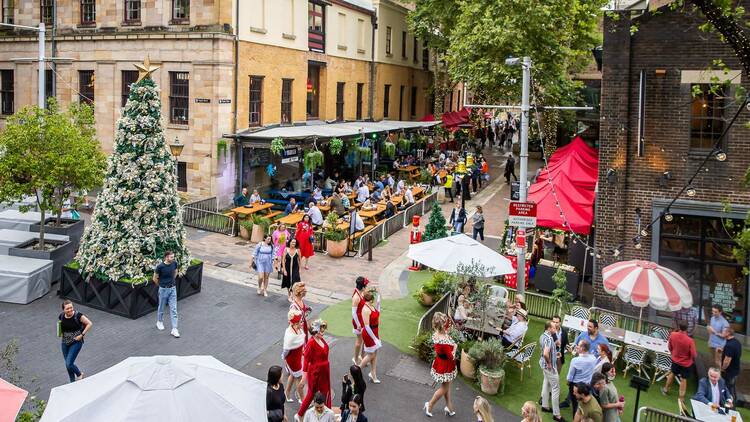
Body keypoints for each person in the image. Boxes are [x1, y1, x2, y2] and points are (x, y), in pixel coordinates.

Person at [296, 320, 332, 422]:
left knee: (324, 392)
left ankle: (324, 415)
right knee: (311, 394)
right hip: (315, 373)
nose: (323, 333)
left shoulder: (321, 339)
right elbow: (306, 361)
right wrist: (303, 378)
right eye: (320, 331)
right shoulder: (311, 343)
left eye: (323, 331)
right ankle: (300, 415)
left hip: (324, 371)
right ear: (315, 332)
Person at [424, 312, 457, 417]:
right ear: (442, 324)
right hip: (446, 365)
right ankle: (429, 404)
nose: (447, 323)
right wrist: (455, 347)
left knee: (447, 386)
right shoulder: (443, 340)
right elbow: (451, 356)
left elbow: (446, 327)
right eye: (445, 322)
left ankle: (449, 407)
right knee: (444, 388)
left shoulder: (437, 333)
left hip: (440, 363)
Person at [661, 321, 696, 402]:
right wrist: (689, 358)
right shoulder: (690, 340)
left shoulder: (673, 335)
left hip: (675, 360)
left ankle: (665, 389)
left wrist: (673, 353)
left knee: (672, 373)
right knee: (684, 379)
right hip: (686, 363)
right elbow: (694, 354)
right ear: (687, 328)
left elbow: (669, 346)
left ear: (679, 327)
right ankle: (681, 398)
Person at [58, 300, 92, 382]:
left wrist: (82, 335)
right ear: (63, 310)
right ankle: (72, 381)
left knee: (69, 363)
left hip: (76, 342)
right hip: (65, 342)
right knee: (68, 364)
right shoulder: (61, 316)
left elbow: (89, 323)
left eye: (71, 308)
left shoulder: (78, 316)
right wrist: (60, 333)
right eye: (67, 309)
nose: (70, 310)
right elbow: (60, 325)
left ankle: (79, 374)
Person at [539, 321, 564, 422]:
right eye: (554, 327)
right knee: (555, 388)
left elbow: (556, 344)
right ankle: (556, 415)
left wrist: (554, 355)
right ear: (549, 328)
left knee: (546, 383)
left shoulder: (542, 336)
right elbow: (545, 353)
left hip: (543, 365)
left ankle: (545, 406)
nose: (556, 328)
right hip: (549, 367)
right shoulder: (549, 338)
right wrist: (549, 363)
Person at [566, 340, 597, 415]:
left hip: (576, 386)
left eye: (578, 345)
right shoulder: (593, 358)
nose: (576, 346)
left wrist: (568, 383)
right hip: (587, 385)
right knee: (584, 404)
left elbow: (570, 377)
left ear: (582, 348)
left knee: (575, 405)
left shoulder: (575, 360)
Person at [153, 250, 180, 338]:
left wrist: (172, 281)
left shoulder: (174, 263)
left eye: (173, 257)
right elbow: (154, 278)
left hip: (173, 289)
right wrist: (161, 285)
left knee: (174, 309)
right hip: (163, 289)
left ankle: (174, 329)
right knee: (161, 306)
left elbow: (176, 272)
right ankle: (159, 322)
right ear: (166, 257)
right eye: (171, 257)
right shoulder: (160, 267)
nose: (173, 258)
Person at [283, 310, 306, 405]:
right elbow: (286, 350)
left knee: (293, 375)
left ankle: (287, 393)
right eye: (301, 321)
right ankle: (302, 399)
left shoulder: (297, 328)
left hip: (297, 356)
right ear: (295, 323)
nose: (302, 322)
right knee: (299, 378)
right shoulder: (290, 335)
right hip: (293, 359)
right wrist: (284, 358)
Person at [359, 289, 382, 384]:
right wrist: (374, 338)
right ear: (371, 299)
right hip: (369, 334)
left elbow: (377, 312)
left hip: (375, 331)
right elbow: (367, 327)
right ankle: (356, 371)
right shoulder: (365, 309)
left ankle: (373, 374)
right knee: (371, 354)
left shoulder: (372, 306)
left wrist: (379, 300)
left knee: (375, 353)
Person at [351, 276, 369, 366]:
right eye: (365, 286)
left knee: (364, 339)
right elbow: (353, 313)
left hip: (362, 319)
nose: (366, 288)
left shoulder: (361, 293)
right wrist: (358, 324)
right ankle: (355, 358)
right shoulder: (356, 297)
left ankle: (362, 357)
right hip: (358, 321)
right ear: (362, 287)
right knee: (359, 341)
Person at [721, 327, 742, 401]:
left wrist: (722, 369)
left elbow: (727, 361)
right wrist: (722, 350)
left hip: (729, 372)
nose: (722, 333)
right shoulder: (737, 342)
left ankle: (729, 405)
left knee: (728, 388)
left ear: (728, 333)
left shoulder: (730, 345)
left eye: (723, 331)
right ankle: (734, 401)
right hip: (736, 370)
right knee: (732, 387)